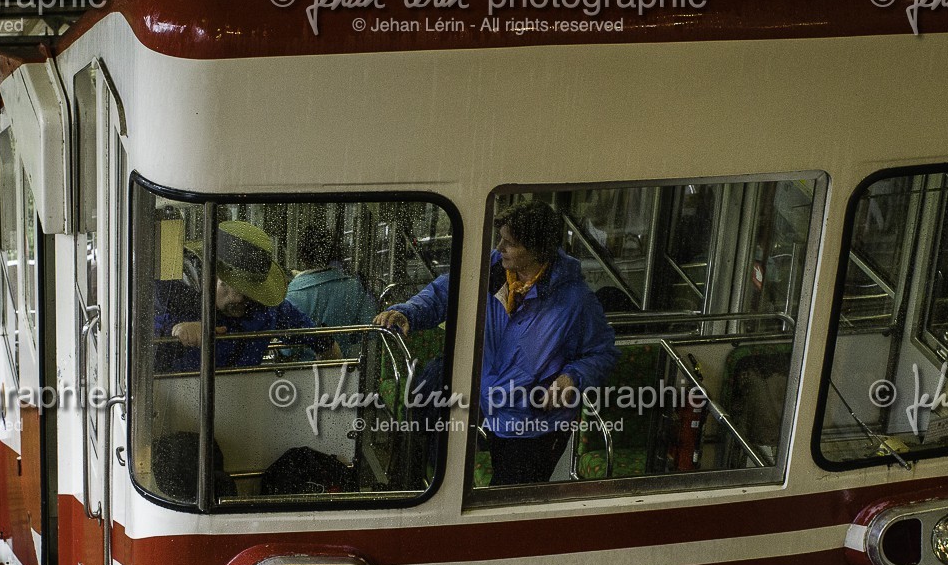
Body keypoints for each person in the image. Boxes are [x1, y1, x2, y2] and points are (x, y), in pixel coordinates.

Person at [375, 199, 617, 486]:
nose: (500, 248)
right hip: (492, 401)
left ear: (537, 250)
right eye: (500, 239)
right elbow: (442, 293)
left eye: (510, 243)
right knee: (427, 400)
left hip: (535, 422)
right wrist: (408, 312)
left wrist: (573, 377)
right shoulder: (491, 271)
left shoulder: (575, 300)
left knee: (510, 498)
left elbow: (602, 353)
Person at [156, 219, 338, 372]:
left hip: (249, 403)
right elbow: (140, 350)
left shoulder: (268, 309)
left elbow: (323, 342)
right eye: (233, 286)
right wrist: (178, 333)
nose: (240, 299)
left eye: (251, 291)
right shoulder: (175, 298)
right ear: (210, 275)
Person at [286, 223, 381, 351]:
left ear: (303, 256)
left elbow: (287, 350)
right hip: (342, 367)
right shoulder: (353, 287)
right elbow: (371, 330)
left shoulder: (291, 293)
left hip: (301, 369)